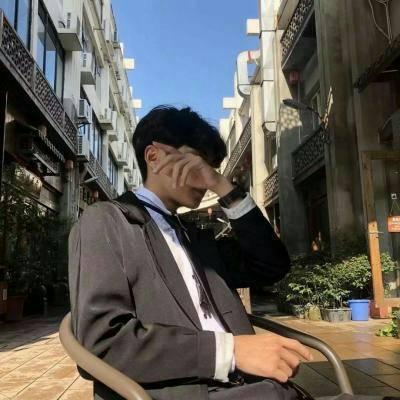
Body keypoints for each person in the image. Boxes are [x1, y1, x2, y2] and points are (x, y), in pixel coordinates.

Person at [68, 106, 385, 400]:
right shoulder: (108, 221)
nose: (206, 179)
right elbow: (103, 342)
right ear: (154, 157)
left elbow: (271, 265)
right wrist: (231, 351)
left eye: (213, 170)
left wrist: (225, 188)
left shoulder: (194, 237)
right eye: (199, 164)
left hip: (254, 386)